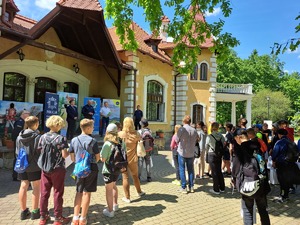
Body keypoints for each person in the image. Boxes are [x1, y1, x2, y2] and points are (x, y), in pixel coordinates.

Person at [232, 129, 271, 225]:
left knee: (247, 211)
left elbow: (235, 169)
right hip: (262, 183)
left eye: (235, 139)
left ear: (239, 137)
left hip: (248, 184)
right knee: (263, 210)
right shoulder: (257, 146)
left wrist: (234, 179)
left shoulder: (240, 150)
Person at [37, 115, 70, 225]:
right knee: (57, 192)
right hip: (58, 168)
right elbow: (65, 155)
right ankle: (57, 218)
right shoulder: (61, 138)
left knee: (44, 193)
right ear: (58, 125)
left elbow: (40, 150)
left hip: (45, 168)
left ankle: (43, 216)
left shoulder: (42, 137)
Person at [69, 119, 100, 225]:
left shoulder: (74, 140)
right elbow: (97, 158)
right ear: (87, 128)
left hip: (78, 168)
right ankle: (83, 218)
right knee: (87, 193)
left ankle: (75, 218)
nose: (93, 128)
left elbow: (72, 158)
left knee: (78, 192)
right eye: (92, 127)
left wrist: (79, 162)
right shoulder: (93, 141)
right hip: (91, 168)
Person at [16, 116, 41, 220]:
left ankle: (23, 211)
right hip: (34, 165)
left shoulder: (19, 136)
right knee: (36, 187)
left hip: (22, 164)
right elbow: (39, 151)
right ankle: (35, 212)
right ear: (35, 124)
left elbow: (17, 151)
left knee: (23, 185)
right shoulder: (37, 136)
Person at [118, 117, 145, 203]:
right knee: (135, 176)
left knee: (125, 178)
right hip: (133, 159)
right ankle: (139, 192)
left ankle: (127, 197)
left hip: (123, 159)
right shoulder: (136, 134)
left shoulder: (120, 134)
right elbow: (141, 141)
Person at [100, 123, 121, 218]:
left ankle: (110, 211)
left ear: (107, 132)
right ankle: (115, 204)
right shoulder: (120, 142)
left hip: (108, 170)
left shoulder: (107, 144)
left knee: (108, 189)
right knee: (114, 186)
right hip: (117, 169)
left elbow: (103, 159)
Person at [177, 115, 199, 193]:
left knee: (182, 169)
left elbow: (177, 140)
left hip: (182, 152)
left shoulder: (181, 129)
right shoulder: (194, 130)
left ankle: (183, 187)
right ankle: (191, 186)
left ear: (183, 121)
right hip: (191, 152)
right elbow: (198, 139)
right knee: (191, 170)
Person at [205, 122, 226, 194]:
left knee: (214, 172)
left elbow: (206, 146)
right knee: (219, 170)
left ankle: (216, 189)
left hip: (212, 154)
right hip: (219, 154)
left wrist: (206, 154)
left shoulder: (210, 136)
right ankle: (222, 187)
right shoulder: (221, 135)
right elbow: (224, 144)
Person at [11, 110, 30, 181]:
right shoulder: (20, 122)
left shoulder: (23, 122)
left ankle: (18, 175)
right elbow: (16, 134)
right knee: (17, 158)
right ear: (23, 114)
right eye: (28, 113)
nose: (29, 114)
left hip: (20, 143)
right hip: (18, 143)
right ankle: (15, 176)